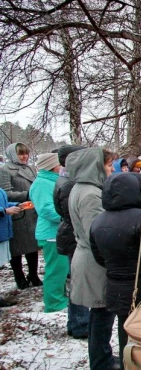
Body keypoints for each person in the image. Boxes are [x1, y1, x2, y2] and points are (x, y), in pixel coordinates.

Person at [90, 172, 141, 368]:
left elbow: (99, 257)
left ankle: (128, 364)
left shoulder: (98, 220)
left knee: (124, 329)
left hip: (114, 286)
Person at [67, 147, 119, 370]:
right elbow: (96, 234)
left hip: (90, 258)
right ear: (95, 167)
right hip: (95, 263)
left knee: (101, 314)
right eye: (108, 165)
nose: (111, 170)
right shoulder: (90, 194)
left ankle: (103, 356)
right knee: (102, 315)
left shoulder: (83, 188)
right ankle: (101, 362)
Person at [53, 145, 89, 339]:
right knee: (79, 282)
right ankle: (80, 323)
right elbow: (71, 213)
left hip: (70, 233)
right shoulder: (69, 184)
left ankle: (77, 322)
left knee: (77, 280)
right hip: (73, 235)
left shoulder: (65, 179)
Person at [29, 153, 69, 313]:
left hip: (58, 232)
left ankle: (59, 296)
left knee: (61, 268)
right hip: (51, 233)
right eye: (59, 164)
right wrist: (66, 217)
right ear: (52, 166)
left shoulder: (50, 181)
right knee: (56, 269)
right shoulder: (41, 184)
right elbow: (45, 209)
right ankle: (54, 302)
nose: (62, 168)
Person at [0, 143, 40, 289]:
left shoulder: (30, 168)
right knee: (17, 248)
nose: (24, 156)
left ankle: (33, 275)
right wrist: (27, 195)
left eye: (26, 153)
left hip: (31, 212)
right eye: (20, 154)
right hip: (17, 212)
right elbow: (5, 193)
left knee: (32, 246)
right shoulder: (5, 170)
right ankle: (19, 277)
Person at [0, 187, 22, 307]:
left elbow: (3, 203)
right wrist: (4, 211)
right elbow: (3, 208)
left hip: (3, 231)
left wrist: (18, 205)